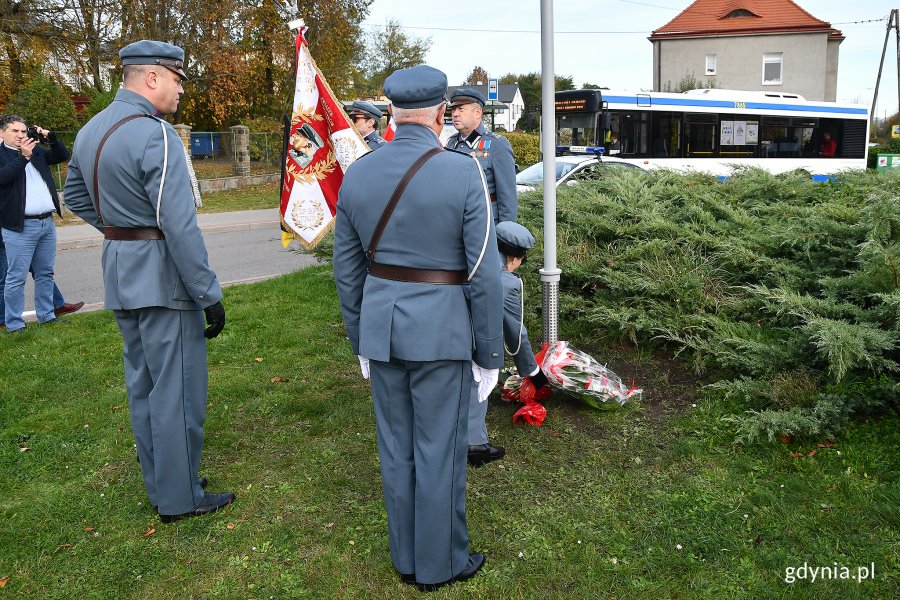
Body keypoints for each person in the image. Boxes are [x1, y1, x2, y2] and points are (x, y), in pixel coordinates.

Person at [333, 64, 503, 592]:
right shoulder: (462, 170)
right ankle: (440, 563)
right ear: (439, 113)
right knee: (440, 450)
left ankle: (406, 557)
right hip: (441, 330)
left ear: (391, 112)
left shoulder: (359, 170)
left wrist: (360, 335)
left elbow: (347, 268)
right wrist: (490, 353)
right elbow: (483, 272)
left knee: (397, 448)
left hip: (383, 327)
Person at [63, 40, 233, 522]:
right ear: (153, 77)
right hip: (162, 279)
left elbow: (74, 192)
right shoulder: (155, 134)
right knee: (176, 389)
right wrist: (208, 293)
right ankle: (180, 499)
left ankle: (165, 482)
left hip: (120, 268)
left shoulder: (92, 127)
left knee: (143, 384)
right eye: (178, 80)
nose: (181, 90)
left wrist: (120, 232)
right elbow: (178, 225)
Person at [467, 221, 552, 466]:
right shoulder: (504, 282)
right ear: (514, 258)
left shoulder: (469, 259)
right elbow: (515, 334)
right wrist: (535, 375)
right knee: (477, 379)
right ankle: (475, 445)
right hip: (469, 343)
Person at [0, 115, 73, 333]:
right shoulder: (4, 155)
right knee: (16, 277)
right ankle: (14, 324)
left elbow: (61, 155)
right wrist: (23, 157)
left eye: (23, 131)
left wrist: (50, 138)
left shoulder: (37, 151)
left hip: (46, 223)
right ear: (2, 133)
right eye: (15, 131)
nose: (21, 135)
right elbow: (4, 177)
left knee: (45, 273)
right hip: (19, 226)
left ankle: (47, 315)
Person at [445, 88, 517, 224]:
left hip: (485, 221)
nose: (455, 114)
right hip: (456, 220)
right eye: (453, 110)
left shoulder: (497, 144)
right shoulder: (451, 142)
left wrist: (506, 233)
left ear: (477, 112)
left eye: (461, 109)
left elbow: (507, 195)